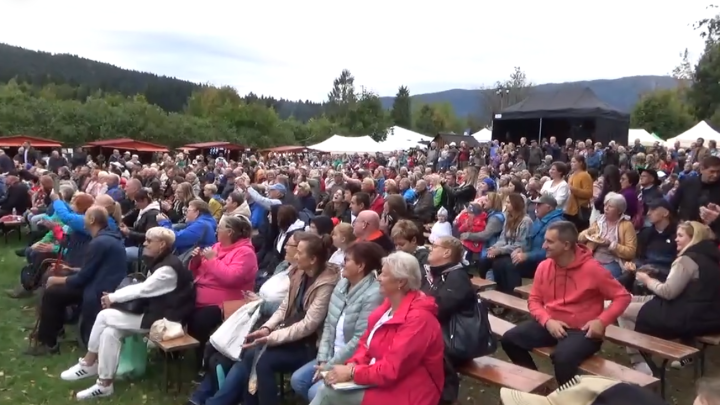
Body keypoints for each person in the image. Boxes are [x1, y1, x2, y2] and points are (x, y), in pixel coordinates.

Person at [189, 232, 339, 405]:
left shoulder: (325, 284)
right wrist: (267, 328)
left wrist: (271, 336)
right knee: (249, 352)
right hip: (288, 332)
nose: (294, 255)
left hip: (310, 344)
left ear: (312, 259)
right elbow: (284, 306)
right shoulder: (300, 273)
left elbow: (309, 324)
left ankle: (221, 401)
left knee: (261, 360)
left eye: (299, 251)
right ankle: (228, 401)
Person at [58, 227, 195, 399]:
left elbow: (143, 289)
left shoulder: (168, 268)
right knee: (109, 332)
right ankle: (104, 384)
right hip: (155, 313)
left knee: (104, 316)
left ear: (161, 244)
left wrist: (113, 298)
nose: (144, 243)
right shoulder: (164, 261)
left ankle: (88, 362)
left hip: (165, 321)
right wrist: (114, 298)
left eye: (149, 240)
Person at [500, 221, 631, 385]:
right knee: (509, 339)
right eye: (545, 240)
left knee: (562, 358)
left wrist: (601, 321)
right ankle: (538, 385)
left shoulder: (592, 269)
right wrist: (547, 321)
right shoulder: (544, 266)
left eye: (550, 241)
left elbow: (623, 296)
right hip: (552, 324)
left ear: (566, 245)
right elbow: (534, 300)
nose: (543, 245)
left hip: (583, 331)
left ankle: (568, 398)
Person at [310, 251, 444, 405]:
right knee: (327, 389)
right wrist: (354, 364)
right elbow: (365, 345)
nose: (378, 278)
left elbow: (392, 369)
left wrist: (352, 372)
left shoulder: (419, 320)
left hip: (409, 392)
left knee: (328, 394)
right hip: (381, 380)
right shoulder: (387, 308)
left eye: (384, 274)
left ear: (401, 282)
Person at [291, 242, 384, 402]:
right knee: (298, 380)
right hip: (330, 355)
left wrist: (329, 366)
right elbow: (329, 325)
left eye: (347, 260)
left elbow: (359, 339)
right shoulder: (342, 284)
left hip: (351, 361)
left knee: (315, 391)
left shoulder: (373, 294)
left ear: (361, 266)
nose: (342, 263)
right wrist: (323, 359)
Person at [621, 221, 720, 373]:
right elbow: (689, 289)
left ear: (693, 238)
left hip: (684, 316)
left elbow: (668, 292)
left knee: (623, 309)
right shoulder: (711, 258)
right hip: (707, 316)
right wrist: (658, 275)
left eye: (680, 235)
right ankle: (683, 357)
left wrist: (647, 280)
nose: (676, 239)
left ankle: (640, 361)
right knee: (626, 300)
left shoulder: (687, 260)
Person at [27, 206, 127, 355]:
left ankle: (48, 343)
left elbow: (83, 279)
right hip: (100, 283)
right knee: (55, 291)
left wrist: (57, 279)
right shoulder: (108, 237)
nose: (81, 219)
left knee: (52, 292)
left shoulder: (99, 242)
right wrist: (72, 270)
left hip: (99, 290)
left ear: (92, 220)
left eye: (84, 216)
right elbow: (94, 270)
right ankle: (54, 330)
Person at [187, 215, 258, 368]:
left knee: (199, 321)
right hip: (201, 293)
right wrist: (197, 261)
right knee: (178, 308)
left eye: (219, 227)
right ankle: (175, 352)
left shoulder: (245, 253)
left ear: (230, 232)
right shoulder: (217, 246)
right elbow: (200, 272)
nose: (216, 230)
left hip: (227, 303)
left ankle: (203, 363)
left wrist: (212, 260)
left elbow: (231, 278)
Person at [421, 236, 476, 404]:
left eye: (435, 246)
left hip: (455, 338)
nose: (430, 248)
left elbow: (439, 308)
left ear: (446, 252)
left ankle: (447, 398)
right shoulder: (436, 274)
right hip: (436, 332)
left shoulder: (457, 277)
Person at [492, 194, 564, 295]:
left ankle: (514, 298)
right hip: (532, 257)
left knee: (509, 265)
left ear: (549, 207)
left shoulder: (556, 224)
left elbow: (549, 251)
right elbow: (529, 242)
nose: (536, 207)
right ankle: (501, 295)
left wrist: (527, 255)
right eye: (535, 204)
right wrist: (522, 249)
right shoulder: (539, 220)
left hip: (543, 262)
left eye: (539, 205)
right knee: (499, 262)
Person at [579, 192, 637, 279]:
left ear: (619, 211)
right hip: (592, 257)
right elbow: (579, 239)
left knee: (599, 277)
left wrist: (610, 244)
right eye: (605, 205)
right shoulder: (599, 221)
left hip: (613, 261)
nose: (606, 208)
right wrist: (588, 232)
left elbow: (631, 252)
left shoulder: (627, 225)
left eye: (610, 206)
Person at [120, 189, 160, 262]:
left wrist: (129, 233)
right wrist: (127, 229)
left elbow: (149, 236)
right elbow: (138, 229)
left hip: (145, 249)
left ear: (144, 200)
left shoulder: (152, 215)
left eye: (137, 201)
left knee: (122, 253)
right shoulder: (142, 211)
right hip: (138, 244)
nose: (135, 203)